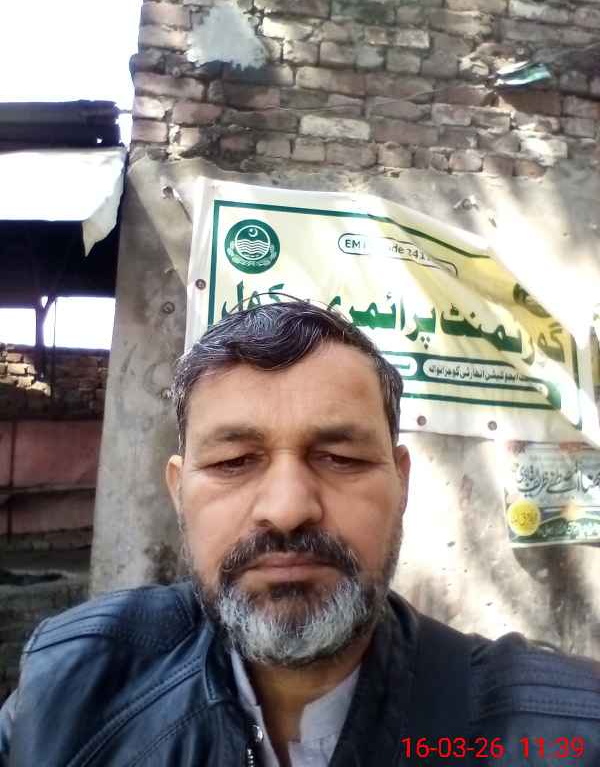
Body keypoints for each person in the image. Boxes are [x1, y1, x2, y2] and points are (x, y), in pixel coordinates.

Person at [1, 300, 599, 767]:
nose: (287, 510)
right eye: (234, 461)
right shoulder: (68, 693)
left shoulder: (567, 730)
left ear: (401, 483)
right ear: (180, 492)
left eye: (341, 458)